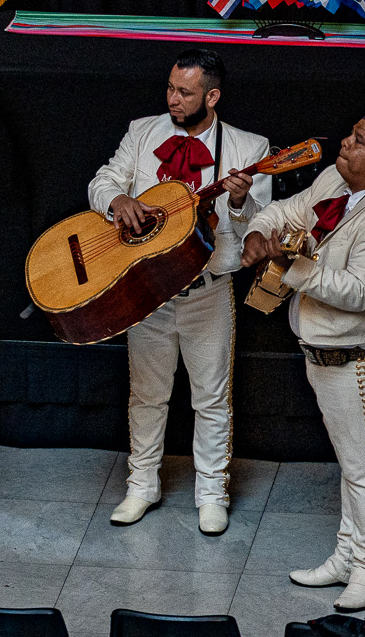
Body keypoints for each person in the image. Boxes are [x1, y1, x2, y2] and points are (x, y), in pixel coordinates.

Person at [242, 111, 365, 610]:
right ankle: (347, 556)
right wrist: (258, 232)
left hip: (362, 361)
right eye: (351, 135)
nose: (344, 142)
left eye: (358, 140)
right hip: (325, 352)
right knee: (353, 464)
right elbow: (290, 211)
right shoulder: (336, 178)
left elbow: (358, 292)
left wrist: (288, 264)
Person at [87, 48, 271, 536]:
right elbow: (102, 181)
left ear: (212, 97)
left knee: (211, 399)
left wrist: (239, 202)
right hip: (147, 293)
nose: (173, 99)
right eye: (170, 88)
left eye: (185, 92)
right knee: (146, 396)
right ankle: (141, 485)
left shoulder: (250, 147)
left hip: (208, 293)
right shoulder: (141, 131)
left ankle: (211, 493)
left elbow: (257, 229)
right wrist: (117, 199)